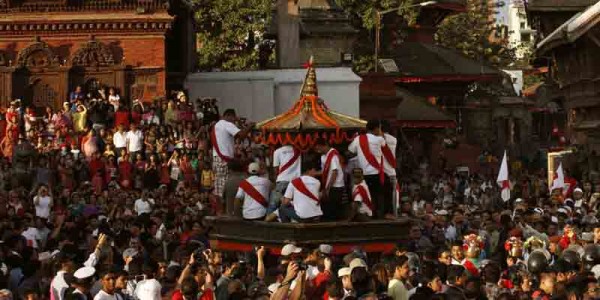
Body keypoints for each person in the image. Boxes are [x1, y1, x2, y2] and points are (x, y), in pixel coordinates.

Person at [210, 109, 254, 200]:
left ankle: (221, 209)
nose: (234, 121)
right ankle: (226, 208)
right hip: (224, 159)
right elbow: (241, 135)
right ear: (230, 116)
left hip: (217, 158)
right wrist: (250, 126)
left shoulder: (217, 125)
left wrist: (238, 122)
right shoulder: (227, 124)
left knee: (219, 185)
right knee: (226, 185)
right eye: (234, 118)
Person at [348, 120, 386, 218]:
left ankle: (368, 213)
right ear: (377, 128)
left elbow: (350, 150)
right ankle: (378, 215)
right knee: (377, 195)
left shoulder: (358, 139)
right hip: (376, 172)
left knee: (366, 195)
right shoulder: (379, 139)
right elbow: (384, 145)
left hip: (364, 173)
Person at [315, 140, 344, 221]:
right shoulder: (323, 156)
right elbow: (324, 171)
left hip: (336, 185)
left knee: (333, 209)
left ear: (324, 145)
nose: (318, 151)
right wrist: (313, 173)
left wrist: (328, 188)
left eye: (319, 148)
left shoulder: (333, 155)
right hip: (329, 185)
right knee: (327, 208)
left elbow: (335, 172)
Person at [271, 143, 302, 210]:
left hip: (282, 180)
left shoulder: (277, 151)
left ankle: (269, 216)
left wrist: (275, 182)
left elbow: (275, 169)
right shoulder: (298, 151)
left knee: (275, 202)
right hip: (296, 181)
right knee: (293, 202)